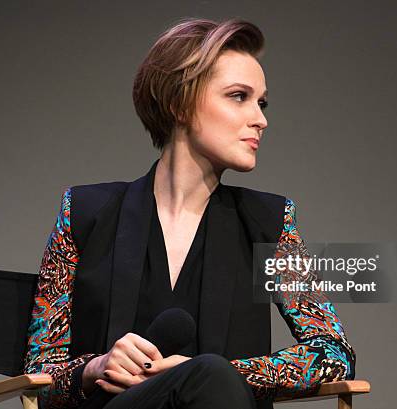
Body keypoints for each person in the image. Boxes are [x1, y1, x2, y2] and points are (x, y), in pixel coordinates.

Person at [23, 18, 355, 409]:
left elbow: (334, 354)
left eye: (261, 102)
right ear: (179, 103)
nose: (260, 119)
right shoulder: (83, 214)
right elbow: (40, 375)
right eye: (238, 96)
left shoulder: (269, 222)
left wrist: (223, 373)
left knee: (210, 374)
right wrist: (96, 367)